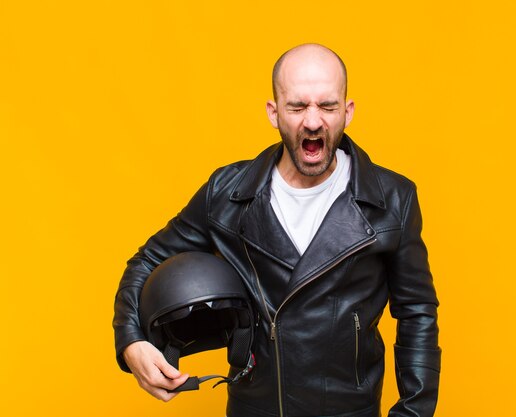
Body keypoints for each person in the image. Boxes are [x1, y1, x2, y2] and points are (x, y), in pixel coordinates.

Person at [113, 43, 441, 417]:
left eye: (328, 106)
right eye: (298, 106)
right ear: (274, 112)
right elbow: (147, 261)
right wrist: (131, 341)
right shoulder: (227, 192)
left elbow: (417, 311)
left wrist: (413, 412)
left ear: (348, 112)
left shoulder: (394, 199)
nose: (313, 121)